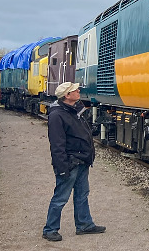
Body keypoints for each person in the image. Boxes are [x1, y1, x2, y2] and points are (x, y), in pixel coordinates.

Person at [42, 82, 105, 241]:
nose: (78, 91)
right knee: (61, 197)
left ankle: (84, 224)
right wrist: (62, 167)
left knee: (82, 194)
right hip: (70, 162)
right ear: (67, 96)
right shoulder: (57, 115)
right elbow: (57, 144)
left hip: (81, 160)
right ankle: (50, 229)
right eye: (74, 90)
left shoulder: (74, 110)